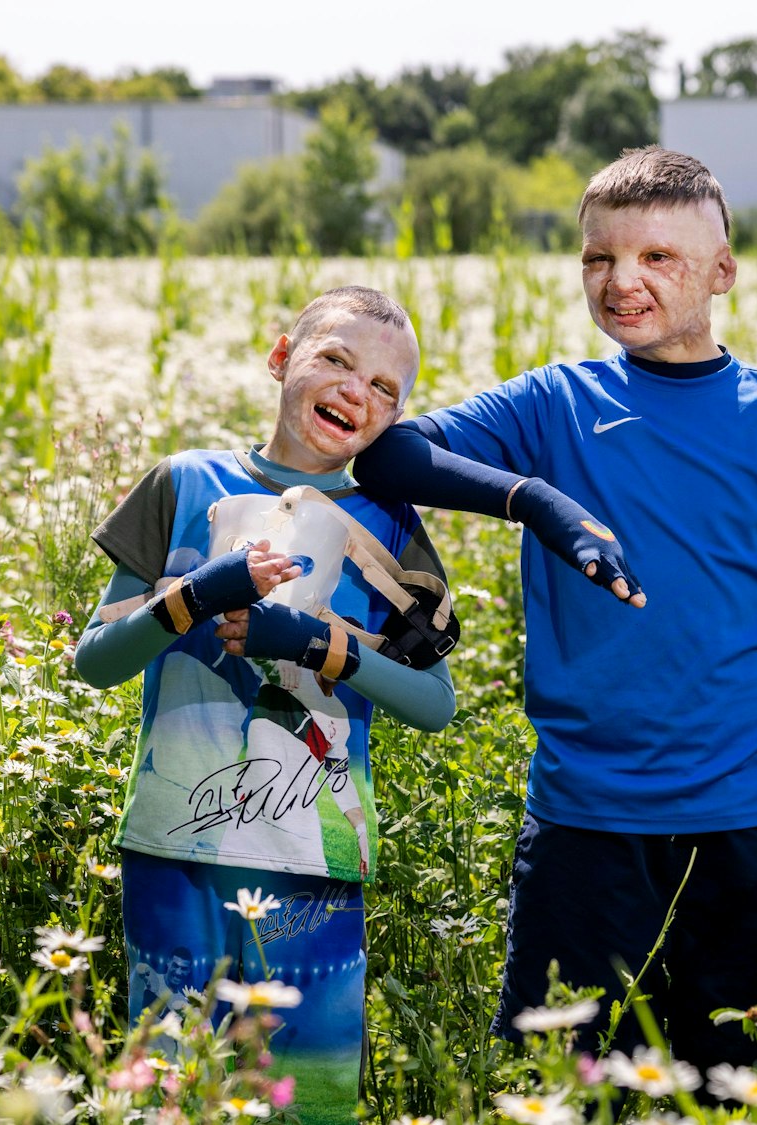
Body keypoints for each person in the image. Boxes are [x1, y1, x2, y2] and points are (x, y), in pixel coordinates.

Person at [351, 147, 757, 1072]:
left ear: (723, 271)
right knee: (563, 1083)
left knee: (737, 1084)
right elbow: (387, 458)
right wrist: (536, 500)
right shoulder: (556, 402)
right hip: (587, 820)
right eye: (599, 259)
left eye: (657, 258)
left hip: (748, 822)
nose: (622, 281)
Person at [74, 286, 457, 1123]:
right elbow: (95, 660)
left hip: (316, 862)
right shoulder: (182, 483)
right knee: (168, 1096)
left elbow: (435, 702)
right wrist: (202, 591)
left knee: (306, 1100)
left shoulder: (388, 528)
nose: (359, 390)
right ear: (283, 357)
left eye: (388, 389)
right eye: (336, 360)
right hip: (174, 851)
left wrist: (315, 643)